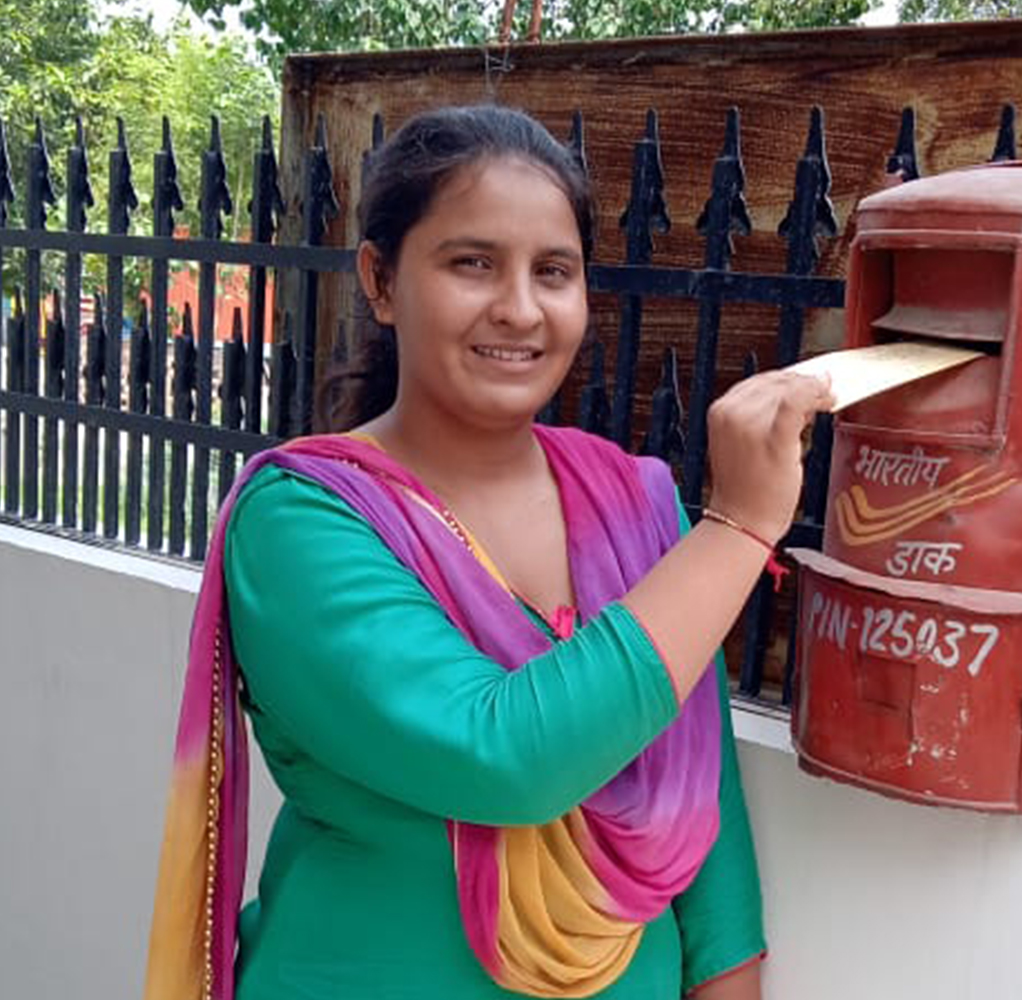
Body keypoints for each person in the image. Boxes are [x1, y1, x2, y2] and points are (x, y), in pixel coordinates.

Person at [143, 104, 833, 1000]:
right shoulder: (300, 520)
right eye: (472, 263)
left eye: (553, 271)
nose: (519, 308)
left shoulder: (636, 503)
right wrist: (737, 528)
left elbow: (705, 804)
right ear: (381, 282)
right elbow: (502, 757)